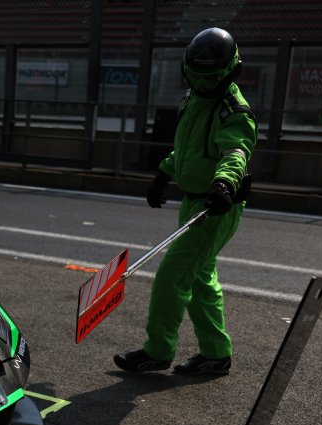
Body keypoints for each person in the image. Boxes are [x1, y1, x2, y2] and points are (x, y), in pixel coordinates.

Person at [114, 27, 256, 376]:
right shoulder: (192, 98)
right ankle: (216, 353)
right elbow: (188, 147)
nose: (203, 85)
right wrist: (164, 173)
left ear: (231, 73)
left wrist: (223, 183)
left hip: (216, 205)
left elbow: (235, 152)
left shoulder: (234, 111)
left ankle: (158, 350)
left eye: (211, 79)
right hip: (195, 201)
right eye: (197, 77)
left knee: (171, 277)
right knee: (200, 279)